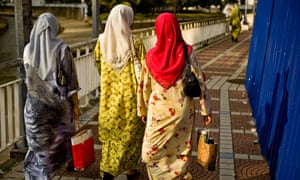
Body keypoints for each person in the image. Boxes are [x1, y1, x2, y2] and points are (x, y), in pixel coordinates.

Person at [137, 13, 212, 180]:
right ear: (176, 29)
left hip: (158, 112)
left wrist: (142, 110)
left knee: (151, 153)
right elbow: (200, 81)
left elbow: (143, 87)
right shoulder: (188, 52)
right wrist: (206, 110)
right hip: (183, 113)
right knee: (180, 151)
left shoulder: (150, 57)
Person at [23, 13, 81, 179]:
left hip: (34, 109)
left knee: (39, 150)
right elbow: (71, 83)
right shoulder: (62, 48)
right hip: (57, 110)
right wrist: (76, 106)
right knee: (54, 149)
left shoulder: (28, 49)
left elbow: (31, 78)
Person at [93, 4, 146, 180]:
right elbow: (145, 71)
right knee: (131, 135)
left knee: (111, 136)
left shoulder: (101, 42)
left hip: (109, 100)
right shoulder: (136, 42)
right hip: (131, 100)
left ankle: (108, 170)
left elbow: (99, 65)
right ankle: (130, 170)